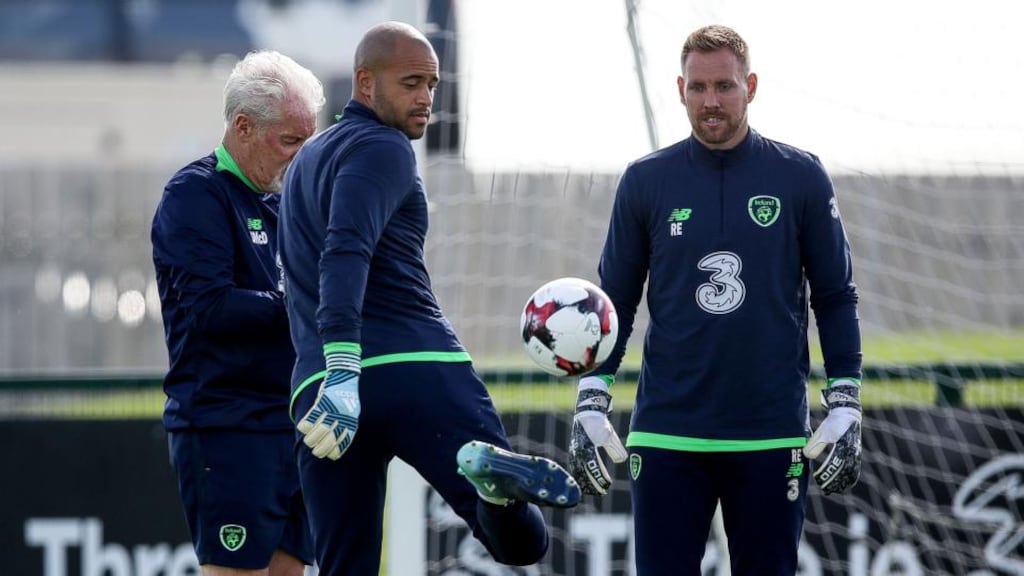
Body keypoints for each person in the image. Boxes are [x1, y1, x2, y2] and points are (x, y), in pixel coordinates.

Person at [277, 20, 581, 575]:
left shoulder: (304, 163)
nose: (426, 100)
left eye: (432, 85)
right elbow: (345, 252)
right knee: (523, 545)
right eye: (411, 83)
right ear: (365, 84)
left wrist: (333, 375)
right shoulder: (385, 148)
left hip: (320, 396)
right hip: (412, 367)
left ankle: (493, 486)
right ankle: (493, 489)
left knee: (345, 565)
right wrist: (348, 367)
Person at [567, 25, 864, 575]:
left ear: (750, 85)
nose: (710, 102)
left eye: (724, 86)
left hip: (769, 431)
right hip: (667, 431)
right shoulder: (645, 180)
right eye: (698, 88)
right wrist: (592, 395)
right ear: (680, 89)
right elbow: (614, 301)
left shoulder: (799, 176)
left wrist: (844, 399)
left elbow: (835, 294)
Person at [151, 49, 325, 575]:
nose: (300, 156)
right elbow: (211, 308)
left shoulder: (285, 203)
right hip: (227, 427)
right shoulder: (195, 195)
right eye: (290, 141)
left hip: (293, 422)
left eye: (307, 141)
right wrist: (307, 307)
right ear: (244, 127)